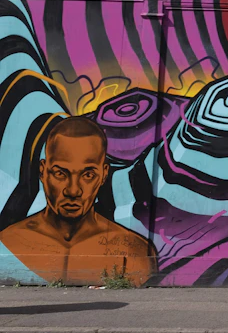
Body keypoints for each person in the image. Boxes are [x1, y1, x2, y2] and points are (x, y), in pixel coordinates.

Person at [0, 117, 155, 286]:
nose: (73, 191)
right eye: (60, 173)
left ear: (103, 175)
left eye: (88, 175)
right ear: (43, 172)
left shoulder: (134, 252)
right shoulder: (8, 240)